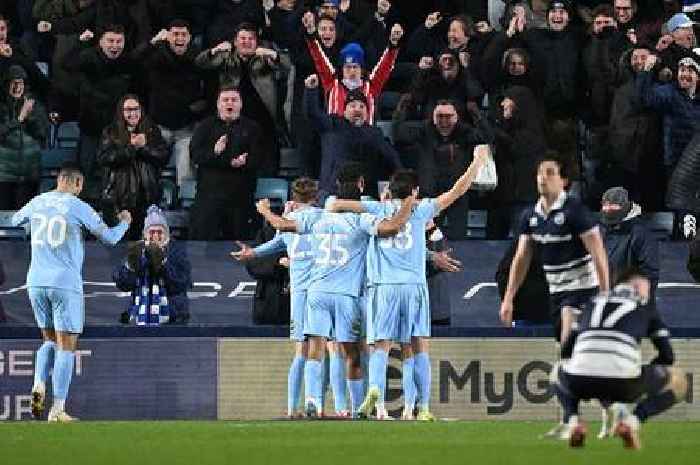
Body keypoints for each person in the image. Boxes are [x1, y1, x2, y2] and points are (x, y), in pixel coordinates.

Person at [330, 148, 490, 421]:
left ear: (390, 191)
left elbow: (337, 205)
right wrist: (477, 162)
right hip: (414, 287)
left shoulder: (378, 208)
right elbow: (458, 191)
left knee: (380, 346)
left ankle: (377, 400)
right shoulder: (422, 208)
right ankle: (420, 407)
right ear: (414, 190)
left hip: (384, 287)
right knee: (417, 348)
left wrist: (346, 204)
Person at [255, 162, 415, 418]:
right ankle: (355, 409)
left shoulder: (317, 215)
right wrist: (408, 204)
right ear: (361, 187)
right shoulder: (362, 220)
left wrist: (264, 211)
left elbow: (283, 226)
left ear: (337, 188)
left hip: (317, 292)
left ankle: (313, 401)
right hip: (346, 296)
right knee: (351, 353)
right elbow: (391, 228)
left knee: (314, 347)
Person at [11, 162, 131, 422]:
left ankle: (39, 384)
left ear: (59, 179)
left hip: (35, 280)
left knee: (48, 339)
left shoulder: (38, 201)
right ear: (77, 183)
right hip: (64, 282)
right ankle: (57, 409)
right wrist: (124, 223)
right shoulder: (78, 206)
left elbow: (14, 220)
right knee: (67, 345)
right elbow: (110, 238)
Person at [553, 271, 687, 449]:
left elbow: (566, 351)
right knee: (679, 381)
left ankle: (573, 420)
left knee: (557, 370)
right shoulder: (645, 308)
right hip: (626, 382)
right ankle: (632, 421)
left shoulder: (592, 303)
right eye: (646, 290)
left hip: (580, 379)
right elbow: (668, 356)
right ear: (636, 287)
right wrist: (650, 373)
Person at [232, 177, 321, 417]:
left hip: (299, 293)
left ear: (294, 196)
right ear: (315, 196)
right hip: (320, 290)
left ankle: (292, 408)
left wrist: (251, 252)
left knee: (301, 350)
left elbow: (275, 242)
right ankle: (315, 403)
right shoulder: (323, 218)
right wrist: (254, 251)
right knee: (321, 348)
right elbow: (275, 243)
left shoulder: (287, 222)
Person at [304, 73, 401, 200]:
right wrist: (311, 90)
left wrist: (401, 182)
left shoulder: (374, 133)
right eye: (353, 106)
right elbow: (312, 113)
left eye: (362, 106)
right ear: (344, 111)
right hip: (331, 194)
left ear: (367, 112)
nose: (357, 109)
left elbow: (392, 158)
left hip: (363, 197)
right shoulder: (332, 124)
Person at [302, 10, 403, 125]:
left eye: (356, 67)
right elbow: (319, 58)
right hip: (337, 137)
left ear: (362, 69)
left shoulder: (371, 85)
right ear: (342, 68)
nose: (352, 71)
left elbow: (385, 66)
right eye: (348, 67)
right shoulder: (331, 82)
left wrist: (393, 43)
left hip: (365, 137)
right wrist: (310, 33)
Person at [188, 85, 263, 240]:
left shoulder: (252, 128)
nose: (230, 103)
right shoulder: (205, 126)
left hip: (240, 198)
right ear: (218, 104)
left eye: (234, 100)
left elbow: (260, 157)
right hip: (209, 197)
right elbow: (195, 155)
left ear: (241, 104)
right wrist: (214, 152)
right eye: (225, 100)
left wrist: (245, 161)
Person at [97, 94, 169, 239]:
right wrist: (131, 148)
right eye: (128, 109)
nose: (133, 113)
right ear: (121, 112)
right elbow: (105, 158)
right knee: (118, 249)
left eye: (136, 109)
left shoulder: (151, 130)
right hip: (118, 200)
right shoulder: (111, 132)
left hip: (146, 200)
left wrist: (144, 148)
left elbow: (163, 156)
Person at [113, 205, 192, 325]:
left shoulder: (177, 253)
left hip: (173, 316)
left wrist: (163, 263)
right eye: (152, 232)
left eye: (159, 232)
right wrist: (131, 265)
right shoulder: (138, 251)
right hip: (140, 315)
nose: (155, 236)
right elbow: (123, 284)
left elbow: (181, 284)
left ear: (166, 235)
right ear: (145, 234)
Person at [0, 65, 48, 210]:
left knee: (25, 221)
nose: (16, 87)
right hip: (4, 176)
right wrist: (19, 118)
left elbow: (42, 133)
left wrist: (29, 117)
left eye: (20, 83)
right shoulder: (1, 107)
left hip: (30, 175)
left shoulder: (35, 106)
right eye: (13, 83)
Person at [600, 187, 659, 302]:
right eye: (605, 205)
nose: (608, 209)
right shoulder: (600, 230)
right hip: (603, 297)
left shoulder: (640, 233)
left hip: (629, 299)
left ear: (625, 207)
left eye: (613, 205)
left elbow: (649, 272)